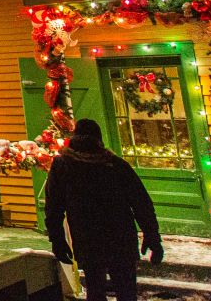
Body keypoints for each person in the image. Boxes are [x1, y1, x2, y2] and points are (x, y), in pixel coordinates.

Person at [46, 117, 162, 301]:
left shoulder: (63, 166)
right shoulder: (114, 164)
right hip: (120, 237)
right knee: (126, 291)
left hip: (87, 238)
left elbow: (53, 208)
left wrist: (57, 239)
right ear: (99, 140)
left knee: (96, 290)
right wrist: (152, 236)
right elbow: (141, 202)